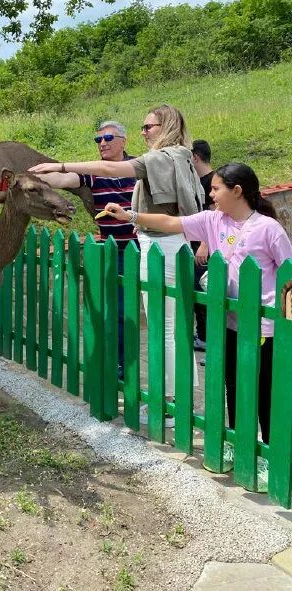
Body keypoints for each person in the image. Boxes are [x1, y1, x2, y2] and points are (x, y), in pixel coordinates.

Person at [31, 104, 205, 427]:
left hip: (159, 249)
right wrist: (131, 216)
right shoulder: (181, 156)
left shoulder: (158, 159)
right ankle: (179, 400)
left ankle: (171, 406)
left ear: (165, 126)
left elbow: (109, 170)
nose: (144, 132)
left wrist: (61, 163)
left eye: (148, 126)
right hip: (171, 246)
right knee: (173, 329)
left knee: (164, 330)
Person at [103, 163, 292, 444]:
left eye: (216, 189)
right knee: (233, 385)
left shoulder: (268, 228)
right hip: (230, 322)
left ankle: (268, 449)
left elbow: (289, 274)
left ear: (237, 191)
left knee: (264, 389)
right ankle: (238, 444)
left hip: (264, 327)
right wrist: (131, 215)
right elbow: (171, 223)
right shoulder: (213, 220)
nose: (210, 194)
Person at [28, 120, 138, 379]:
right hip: (112, 251)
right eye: (98, 140)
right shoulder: (94, 172)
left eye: (108, 138)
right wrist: (33, 177)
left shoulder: (138, 167)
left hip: (141, 249)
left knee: (137, 310)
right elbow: (64, 179)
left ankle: (132, 365)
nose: (102, 144)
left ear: (123, 141)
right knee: (113, 310)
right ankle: (117, 363)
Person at [191, 140, 215, 357]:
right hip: (196, 247)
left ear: (195, 158)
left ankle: (206, 337)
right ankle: (202, 335)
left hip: (204, 250)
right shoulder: (197, 182)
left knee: (203, 292)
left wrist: (204, 245)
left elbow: (216, 216)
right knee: (197, 294)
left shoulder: (211, 183)